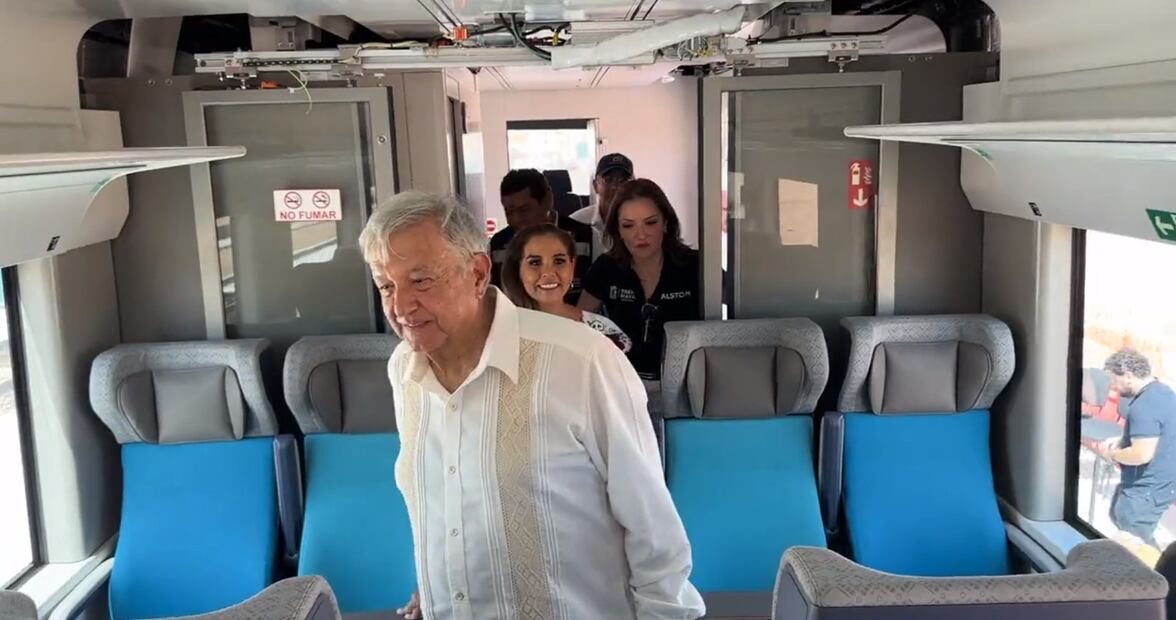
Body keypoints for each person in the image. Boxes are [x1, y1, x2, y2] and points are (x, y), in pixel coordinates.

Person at [359, 191, 705, 620]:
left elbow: (654, 534)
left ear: (477, 272)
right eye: (386, 285)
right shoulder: (403, 371)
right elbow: (445, 512)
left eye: (422, 280)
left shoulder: (582, 360)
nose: (401, 306)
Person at [578, 179, 701, 381]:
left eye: (650, 222)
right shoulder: (606, 268)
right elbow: (580, 324)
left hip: (688, 384)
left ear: (666, 223)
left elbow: (739, 308)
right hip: (621, 384)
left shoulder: (695, 266)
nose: (640, 235)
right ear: (618, 230)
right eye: (628, 225)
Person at [500, 223, 632, 353]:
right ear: (517, 269)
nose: (549, 272)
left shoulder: (604, 332)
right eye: (535, 262)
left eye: (559, 261)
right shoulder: (497, 331)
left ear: (573, 265)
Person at [1102, 348, 1176, 549]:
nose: (1112, 386)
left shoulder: (1143, 405)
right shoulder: (1164, 391)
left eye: (1113, 380)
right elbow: (1159, 432)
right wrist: (1123, 439)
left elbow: (1141, 454)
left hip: (1146, 488)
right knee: (1125, 523)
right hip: (1163, 483)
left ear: (1128, 376)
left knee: (1132, 542)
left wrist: (1111, 454)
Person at [490, 169, 593, 303]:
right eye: (509, 212)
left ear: (548, 200)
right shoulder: (499, 244)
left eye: (524, 210)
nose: (516, 219)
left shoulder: (585, 236)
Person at [572, 153, 634, 259]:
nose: (616, 187)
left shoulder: (642, 225)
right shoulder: (576, 223)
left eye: (623, 181)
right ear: (595, 186)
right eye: (608, 180)